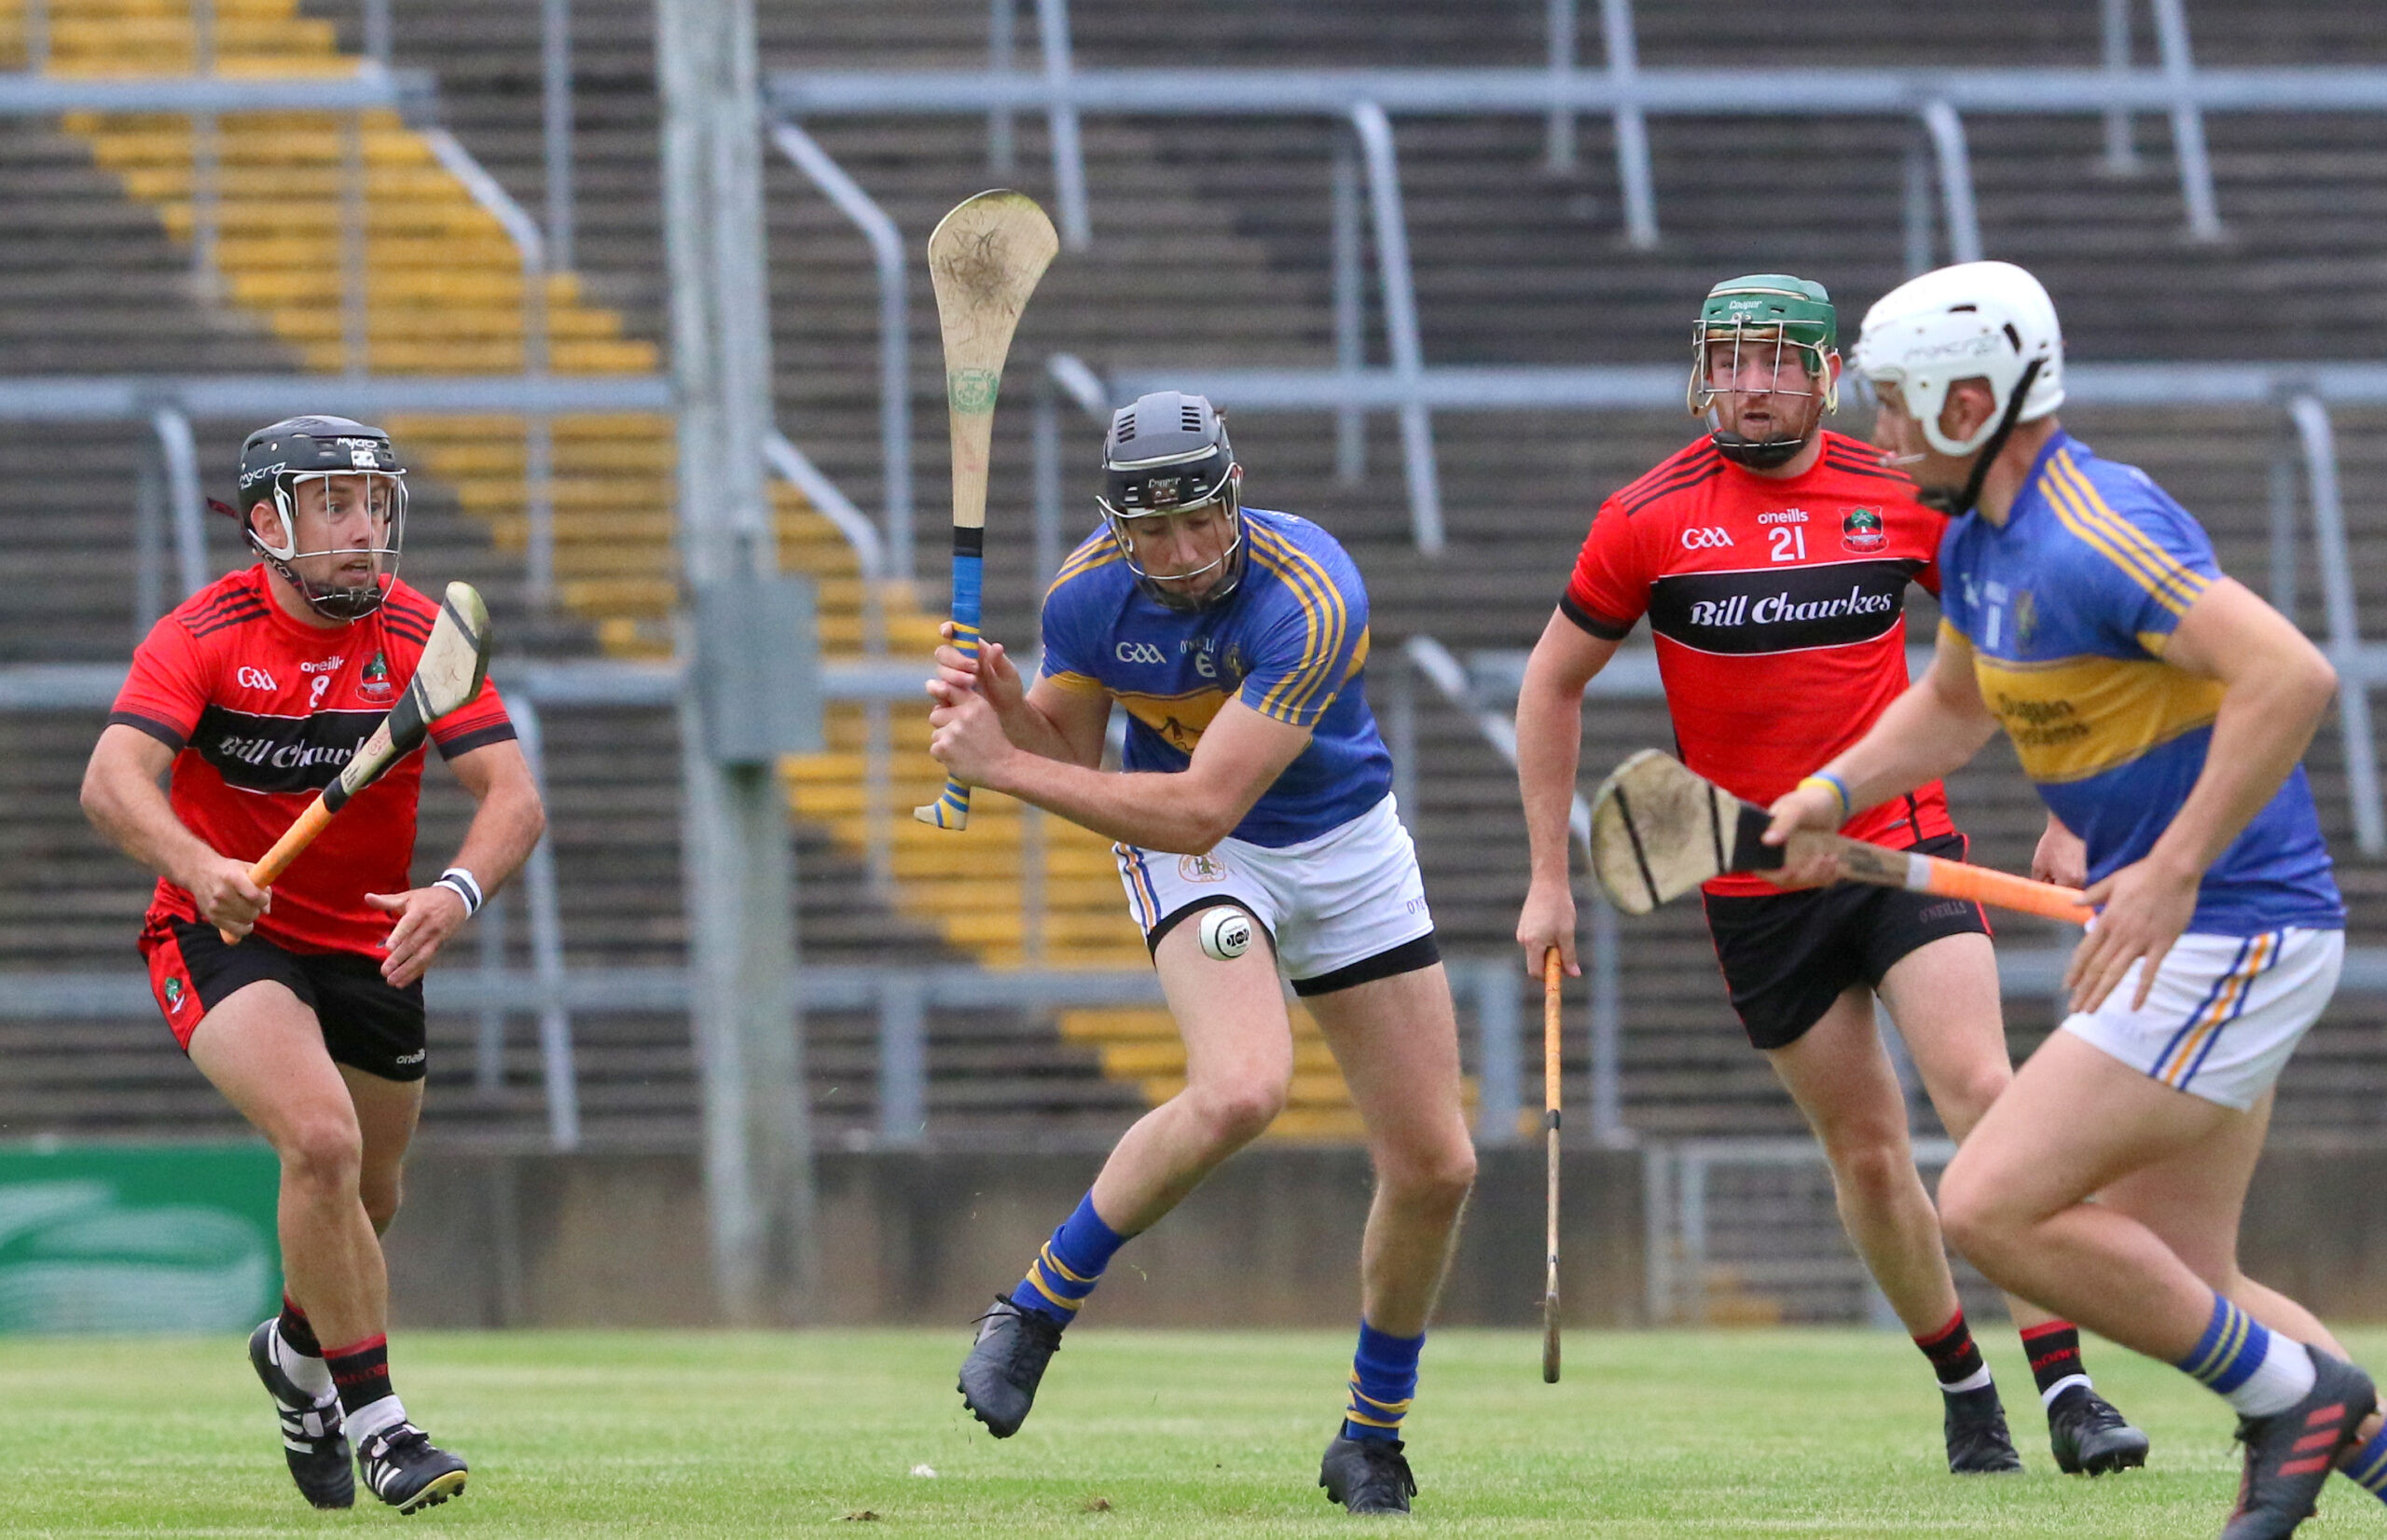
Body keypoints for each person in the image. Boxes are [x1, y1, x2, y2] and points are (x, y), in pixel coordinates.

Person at [1766, 259, 2376, 1540]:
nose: (1875, 432)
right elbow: (1949, 708)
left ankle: (2294, 1404)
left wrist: (2170, 865)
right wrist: (1832, 790)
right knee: (2188, 1276)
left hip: (2233, 933)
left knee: (1988, 1203)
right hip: (2186, 941)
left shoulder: (2090, 526)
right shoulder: (1980, 542)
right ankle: (2343, 1429)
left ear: (1975, 397)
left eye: (1898, 403)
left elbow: (2290, 675)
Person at [1513, 274, 2146, 1475]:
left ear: (1824, 375)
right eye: (1729, 360)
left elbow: (2007, 652)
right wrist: (1547, 879)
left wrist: (2070, 806)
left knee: (1978, 1083)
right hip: (1752, 884)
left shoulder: (1897, 492)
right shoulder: (1644, 517)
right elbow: (1551, 682)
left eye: (1776, 362)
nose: (1749, 385)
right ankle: (1967, 1390)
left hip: (1897, 847)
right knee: (1866, 1150)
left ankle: (2068, 1386)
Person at [924, 392, 1476, 1516]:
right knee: (1240, 1088)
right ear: (1116, 525)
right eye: (1151, 531)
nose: (1179, 554)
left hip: (1327, 842)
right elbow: (1071, 752)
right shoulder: (1086, 595)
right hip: (1198, 862)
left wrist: (1000, 762)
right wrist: (1000, 711)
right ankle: (1032, 1307)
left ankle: (1369, 1434)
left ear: (1233, 493)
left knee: (1438, 1165)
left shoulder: (1311, 592)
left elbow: (1201, 802)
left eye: (1200, 521)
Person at [80, 417, 545, 1515]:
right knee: (321, 1140)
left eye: (375, 503)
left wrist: (454, 890)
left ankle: (292, 1353)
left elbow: (512, 799)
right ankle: (379, 1423)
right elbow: (112, 781)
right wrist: (198, 866)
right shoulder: (202, 634)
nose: (364, 527)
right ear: (266, 522)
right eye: (334, 503)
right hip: (225, 932)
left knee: (368, 1197)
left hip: (368, 943)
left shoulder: (421, 633)